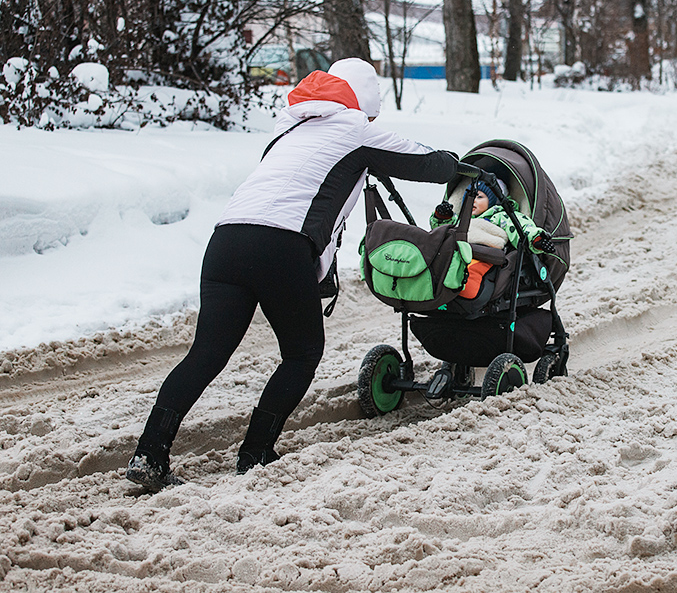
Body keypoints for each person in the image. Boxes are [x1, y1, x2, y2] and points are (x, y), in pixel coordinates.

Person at [126, 58, 459, 491]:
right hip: (280, 247)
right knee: (302, 354)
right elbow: (430, 165)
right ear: (363, 101)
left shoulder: (289, 132)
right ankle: (256, 453)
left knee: (205, 354)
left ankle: (149, 455)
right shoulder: (356, 129)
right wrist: (459, 163)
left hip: (225, 242)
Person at [430, 178, 554, 299]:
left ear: (493, 200)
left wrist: (536, 240)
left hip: (483, 252)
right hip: (459, 250)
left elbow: (521, 227)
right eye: (470, 196)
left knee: (468, 270)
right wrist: (442, 216)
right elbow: (441, 232)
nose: (473, 200)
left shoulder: (501, 216)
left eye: (479, 197)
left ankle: (461, 290)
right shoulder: (462, 219)